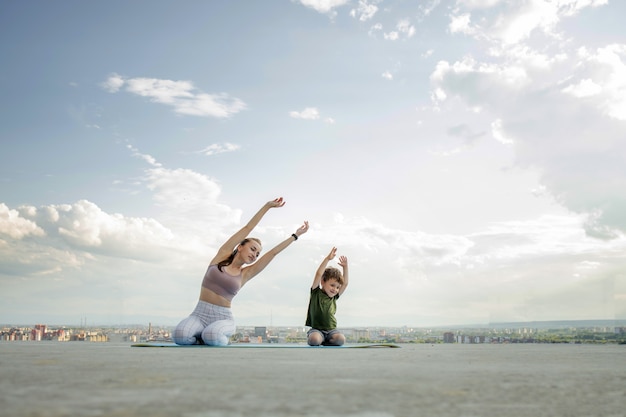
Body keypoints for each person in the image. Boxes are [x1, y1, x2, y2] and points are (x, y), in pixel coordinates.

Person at [173, 197, 308, 346]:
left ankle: (215, 338)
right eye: (253, 249)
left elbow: (273, 253)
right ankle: (201, 338)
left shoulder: (246, 273)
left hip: (222, 318)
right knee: (180, 336)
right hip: (199, 314)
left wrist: (295, 236)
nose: (254, 255)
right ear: (240, 246)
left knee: (212, 335)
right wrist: (267, 206)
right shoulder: (222, 255)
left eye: (257, 254)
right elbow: (247, 228)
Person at [305, 247, 349, 346]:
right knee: (314, 340)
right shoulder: (316, 293)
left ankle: (325, 341)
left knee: (341, 340)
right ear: (323, 282)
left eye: (337, 287)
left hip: (331, 331)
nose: (335, 289)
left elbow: (345, 283)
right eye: (332, 285)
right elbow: (319, 274)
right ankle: (319, 339)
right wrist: (327, 259)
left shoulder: (334, 297)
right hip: (317, 330)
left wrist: (345, 268)